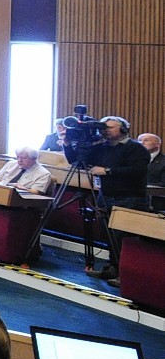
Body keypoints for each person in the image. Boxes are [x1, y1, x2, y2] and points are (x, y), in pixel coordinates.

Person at [66, 116, 150, 282]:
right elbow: (76, 160)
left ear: (123, 129)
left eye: (110, 127)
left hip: (129, 197)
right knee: (108, 234)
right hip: (106, 196)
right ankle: (113, 268)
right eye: (103, 127)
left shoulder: (136, 148)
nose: (105, 130)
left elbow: (137, 170)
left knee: (123, 236)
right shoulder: (102, 148)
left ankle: (126, 274)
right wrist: (68, 144)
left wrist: (108, 171)